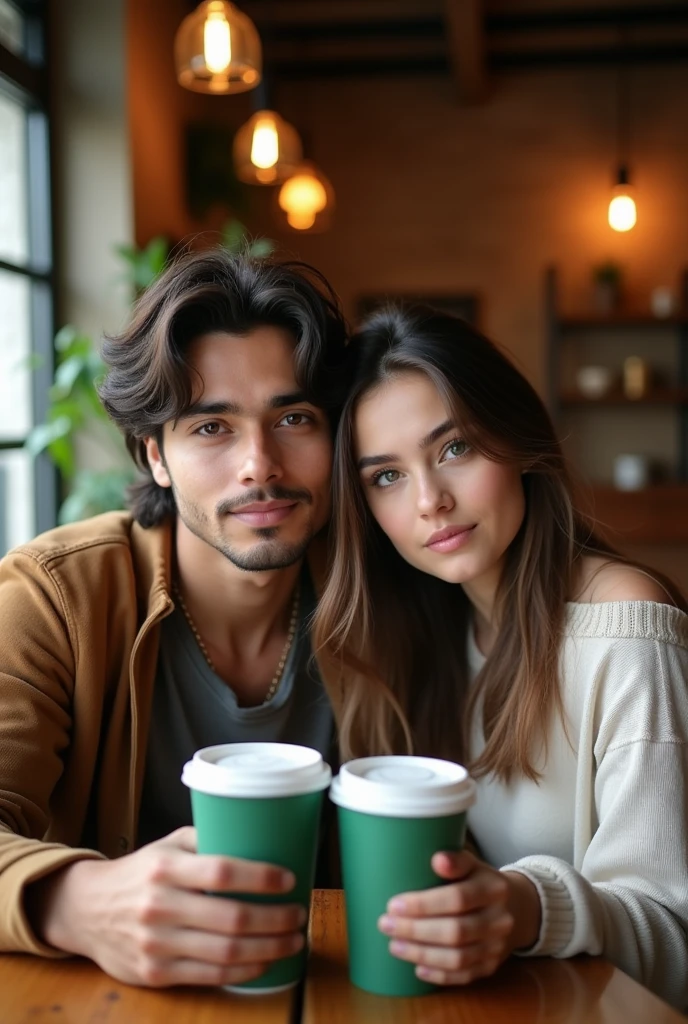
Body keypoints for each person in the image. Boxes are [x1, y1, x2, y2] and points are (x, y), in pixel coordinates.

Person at [314, 305, 688, 1009]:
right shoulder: (431, 634)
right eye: (386, 477)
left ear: (515, 439)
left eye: (453, 448)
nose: (431, 500)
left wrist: (529, 907)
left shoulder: (626, 630)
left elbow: (676, 934)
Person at [0, 248, 353, 988]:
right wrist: (79, 900)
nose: (260, 463)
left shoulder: (387, 594)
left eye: (294, 417)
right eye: (211, 428)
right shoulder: (54, 598)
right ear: (155, 454)